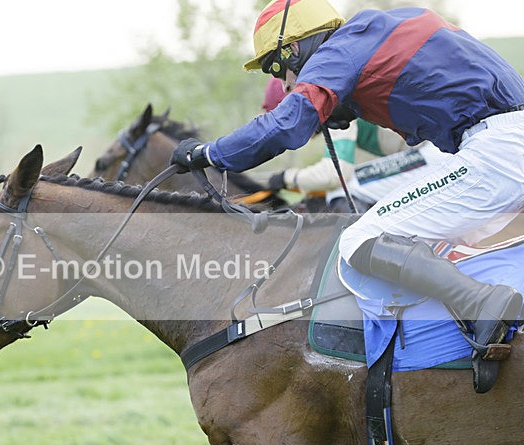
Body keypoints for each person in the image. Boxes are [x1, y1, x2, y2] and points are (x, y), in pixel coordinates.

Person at [170, 0, 524, 368]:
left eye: (276, 68)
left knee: (360, 239)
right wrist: (348, 105)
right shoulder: (380, 26)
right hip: (503, 141)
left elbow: (284, 126)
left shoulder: (340, 48)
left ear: (293, 48)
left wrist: (209, 153)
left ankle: (484, 305)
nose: (284, 83)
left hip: (496, 150)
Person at [259, 77, 452, 213]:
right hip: (435, 150)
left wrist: (288, 177)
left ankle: (365, 253)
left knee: (341, 189)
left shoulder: (332, 103)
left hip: (437, 154)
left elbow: (335, 175)